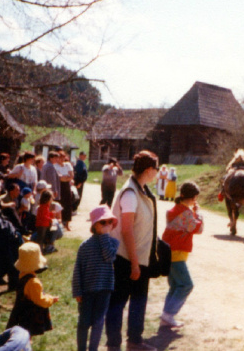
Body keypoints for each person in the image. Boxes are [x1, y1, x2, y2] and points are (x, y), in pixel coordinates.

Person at [106, 150, 160, 351]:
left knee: (138, 302)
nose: (157, 173)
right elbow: (127, 230)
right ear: (148, 170)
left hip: (138, 257)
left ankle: (134, 342)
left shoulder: (141, 191)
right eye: (156, 169)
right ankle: (113, 345)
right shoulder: (130, 193)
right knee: (118, 303)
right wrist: (135, 263)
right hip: (126, 258)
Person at [73, 205, 120, 351]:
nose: (107, 225)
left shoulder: (113, 243)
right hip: (87, 290)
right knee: (84, 322)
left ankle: (93, 348)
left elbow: (109, 257)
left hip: (104, 289)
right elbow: (78, 270)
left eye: (109, 222)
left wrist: (105, 236)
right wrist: (77, 291)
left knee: (98, 322)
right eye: (103, 222)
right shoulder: (85, 246)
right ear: (94, 225)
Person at [160, 182, 204, 328]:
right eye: (195, 198)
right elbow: (198, 228)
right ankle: (168, 314)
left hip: (169, 252)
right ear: (192, 198)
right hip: (177, 253)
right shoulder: (185, 213)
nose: (195, 201)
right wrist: (199, 215)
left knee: (175, 285)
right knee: (186, 285)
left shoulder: (176, 209)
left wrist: (194, 213)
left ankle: (166, 315)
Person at [6, 242, 59, 337]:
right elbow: (39, 300)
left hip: (20, 312)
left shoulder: (22, 275)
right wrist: (51, 299)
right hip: (30, 316)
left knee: (21, 335)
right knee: (27, 336)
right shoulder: (34, 282)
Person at [55, 151, 75, 231]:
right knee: (60, 203)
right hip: (59, 185)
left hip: (67, 185)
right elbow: (60, 178)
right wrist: (65, 177)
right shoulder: (55, 166)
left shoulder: (67, 165)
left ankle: (67, 224)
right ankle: (59, 223)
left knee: (68, 204)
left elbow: (71, 175)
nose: (62, 159)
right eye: (60, 157)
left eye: (63, 157)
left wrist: (66, 177)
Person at [34, 190, 56, 254]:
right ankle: (39, 251)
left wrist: (51, 214)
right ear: (47, 199)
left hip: (44, 224)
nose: (52, 199)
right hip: (41, 225)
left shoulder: (46, 206)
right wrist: (50, 219)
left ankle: (41, 250)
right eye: (51, 198)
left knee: (43, 238)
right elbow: (44, 216)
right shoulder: (43, 207)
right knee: (40, 239)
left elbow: (46, 214)